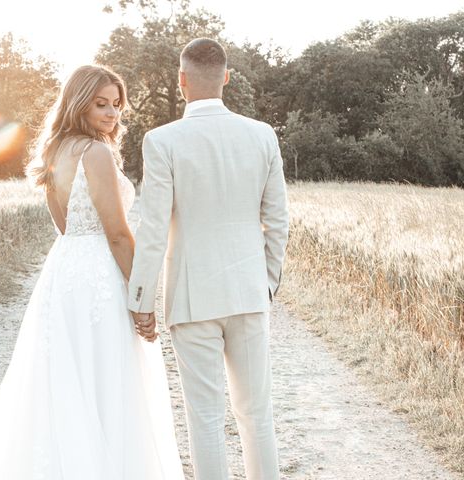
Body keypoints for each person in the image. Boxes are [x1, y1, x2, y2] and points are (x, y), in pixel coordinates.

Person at [0, 65, 184, 480]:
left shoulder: (55, 150)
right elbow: (116, 233)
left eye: (116, 105)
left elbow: (64, 226)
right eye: (101, 104)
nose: (112, 113)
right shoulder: (95, 153)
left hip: (65, 270)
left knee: (66, 378)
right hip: (99, 276)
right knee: (108, 380)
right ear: (79, 103)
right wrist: (141, 298)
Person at [128, 38, 289, 480]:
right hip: (249, 291)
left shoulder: (161, 141)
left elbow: (154, 228)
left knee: (204, 417)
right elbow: (278, 221)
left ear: (181, 81)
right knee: (257, 412)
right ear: (227, 77)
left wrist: (141, 298)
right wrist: (267, 282)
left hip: (192, 297)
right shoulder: (262, 135)